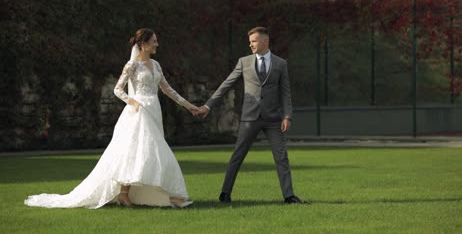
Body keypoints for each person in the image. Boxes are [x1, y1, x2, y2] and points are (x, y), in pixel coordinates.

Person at [25, 28, 198, 209]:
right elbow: (117, 89)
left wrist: (190, 106)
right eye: (154, 41)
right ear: (144, 44)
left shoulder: (156, 65)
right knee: (144, 149)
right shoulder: (132, 65)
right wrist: (133, 102)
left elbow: (168, 89)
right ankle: (143, 194)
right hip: (138, 112)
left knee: (147, 151)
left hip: (154, 110)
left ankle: (144, 194)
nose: (157, 44)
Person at [196, 27, 308, 204]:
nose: (251, 45)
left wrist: (287, 116)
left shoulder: (280, 64)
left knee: (281, 156)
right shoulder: (244, 62)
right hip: (250, 118)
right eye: (250, 42)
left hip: (273, 120)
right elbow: (226, 84)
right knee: (238, 155)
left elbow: (285, 93)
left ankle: (289, 196)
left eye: (254, 41)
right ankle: (225, 193)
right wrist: (208, 105)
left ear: (265, 41)